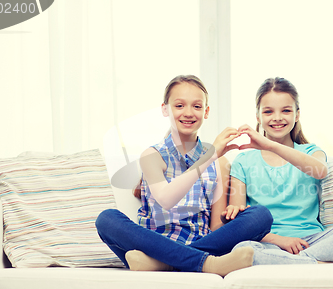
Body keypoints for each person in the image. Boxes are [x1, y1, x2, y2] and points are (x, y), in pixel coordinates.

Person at [96, 75, 272, 276]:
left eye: (197, 107)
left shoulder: (220, 164)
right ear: (165, 109)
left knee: (260, 216)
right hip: (153, 244)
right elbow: (166, 199)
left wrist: (233, 215)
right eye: (179, 106)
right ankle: (207, 264)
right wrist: (209, 155)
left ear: (206, 112)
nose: (188, 113)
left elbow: (215, 226)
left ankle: (164, 264)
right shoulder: (152, 156)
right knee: (107, 219)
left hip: (201, 242)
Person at [229, 77, 333, 265]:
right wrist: (281, 241)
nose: (277, 117)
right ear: (258, 117)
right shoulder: (243, 161)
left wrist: (271, 145)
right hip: (269, 242)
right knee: (242, 250)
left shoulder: (311, 152)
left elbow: (320, 171)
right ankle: (320, 264)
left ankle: (298, 262)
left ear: (297, 114)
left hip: (314, 241)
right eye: (268, 111)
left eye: (286, 110)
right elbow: (238, 222)